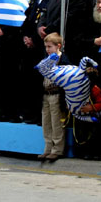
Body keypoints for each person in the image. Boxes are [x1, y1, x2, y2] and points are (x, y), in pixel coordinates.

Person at [38, 0, 87, 64]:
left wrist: (47, 30)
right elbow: (45, 12)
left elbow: (66, 19)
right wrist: (40, 26)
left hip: (65, 48)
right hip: (50, 46)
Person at [37, 33, 67, 162]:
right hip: (46, 94)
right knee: (46, 122)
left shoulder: (63, 60)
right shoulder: (46, 60)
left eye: (50, 47)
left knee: (56, 122)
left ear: (58, 46)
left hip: (56, 94)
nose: (47, 49)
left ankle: (57, 149)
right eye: (46, 47)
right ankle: (48, 147)